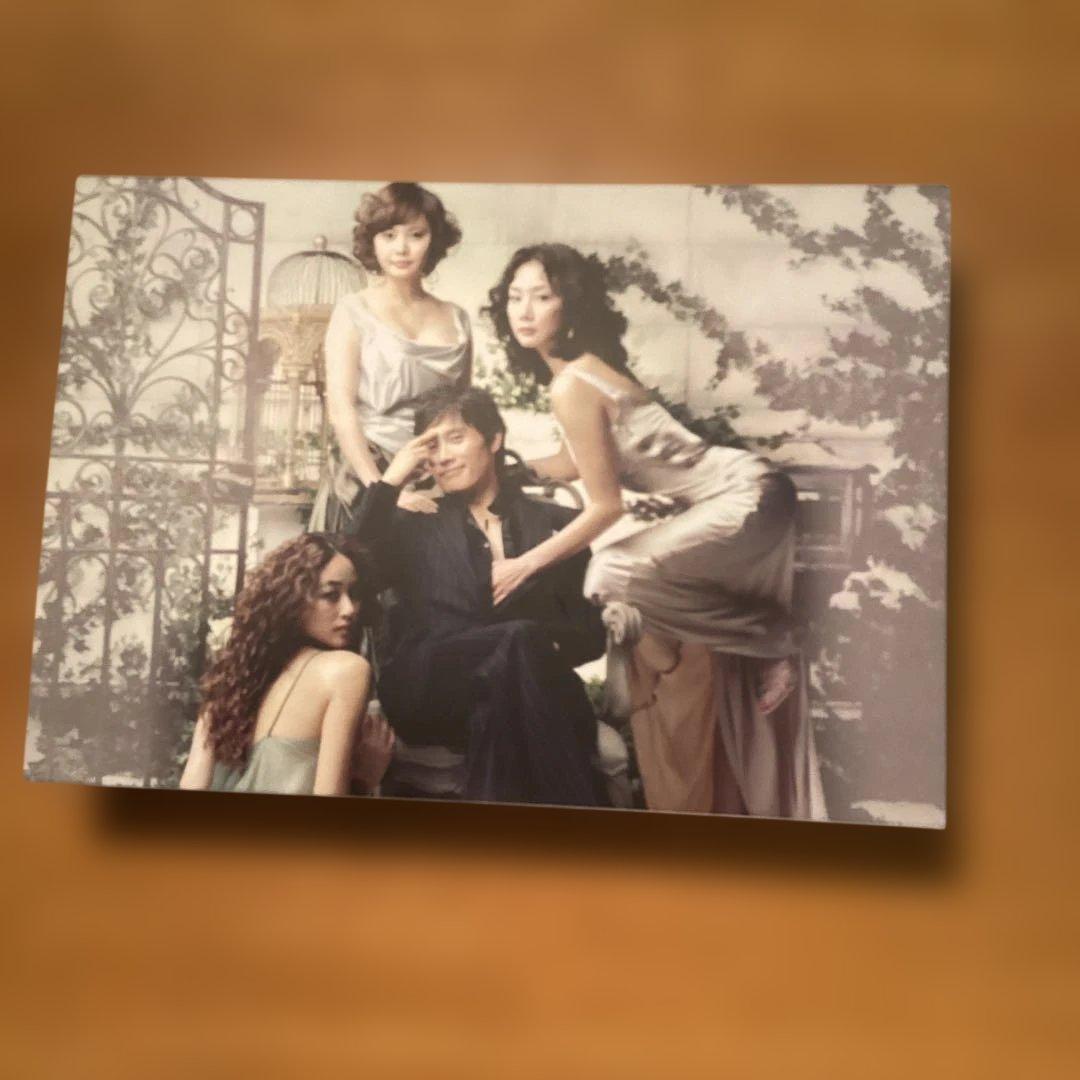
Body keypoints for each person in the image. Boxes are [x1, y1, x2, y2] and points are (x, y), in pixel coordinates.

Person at [483, 243, 826, 820]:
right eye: (515, 297)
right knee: (628, 578)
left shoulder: (571, 385)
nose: (525, 310)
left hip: (744, 495)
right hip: (751, 490)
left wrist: (524, 564)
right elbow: (577, 462)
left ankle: (774, 640)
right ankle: (765, 644)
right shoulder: (578, 372)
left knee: (613, 569)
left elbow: (605, 506)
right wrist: (510, 470)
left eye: (542, 296)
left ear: (570, 305)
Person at [350, 385, 608, 808]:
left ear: (494, 439)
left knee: (506, 684)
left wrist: (540, 642)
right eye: (431, 446)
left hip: (519, 688)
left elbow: (590, 636)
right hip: (430, 688)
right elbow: (349, 568)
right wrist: (392, 480)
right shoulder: (415, 524)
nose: (442, 457)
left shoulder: (557, 528)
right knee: (518, 640)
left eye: (455, 438)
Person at [309, 181, 472, 531]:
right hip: (365, 475)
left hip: (437, 475)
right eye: (389, 235)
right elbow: (341, 410)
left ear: (434, 241)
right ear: (372, 241)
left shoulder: (457, 318)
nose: (401, 248)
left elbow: (465, 413)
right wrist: (381, 491)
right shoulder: (352, 310)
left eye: (416, 235)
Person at [179, 534, 394, 797]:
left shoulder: (231, 685)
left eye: (354, 594)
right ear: (293, 601)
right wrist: (365, 780)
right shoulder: (346, 671)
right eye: (331, 595)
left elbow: (191, 790)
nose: (349, 609)